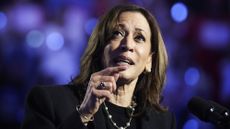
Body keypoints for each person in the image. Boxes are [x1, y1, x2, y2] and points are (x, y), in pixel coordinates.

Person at [21, 4, 176, 129]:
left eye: (139, 37)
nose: (128, 44)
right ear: (100, 48)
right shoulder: (49, 102)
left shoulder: (163, 121)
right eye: (117, 33)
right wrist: (84, 114)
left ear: (149, 60)